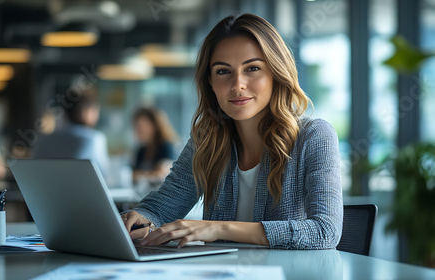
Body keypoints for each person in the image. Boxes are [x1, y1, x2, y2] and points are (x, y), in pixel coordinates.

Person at [121, 14, 343, 249]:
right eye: (223, 71)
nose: (238, 84)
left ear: (276, 74)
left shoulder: (314, 136)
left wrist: (216, 228)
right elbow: (162, 206)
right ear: (210, 82)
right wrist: (140, 216)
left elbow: (324, 231)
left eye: (253, 68)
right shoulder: (207, 139)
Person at [33, 91, 110, 177]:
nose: (97, 115)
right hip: (81, 190)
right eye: (95, 110)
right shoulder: (93, 139)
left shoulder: (43, 139)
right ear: (86, 111)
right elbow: (102, 176)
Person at [132, 107, 177, 186]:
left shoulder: (166, 147)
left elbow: (160, 175)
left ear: (155, 126)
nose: (138, 131)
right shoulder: (141, 151)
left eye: (141, 127)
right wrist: (150, 174)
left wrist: (141, 175)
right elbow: (132, 175)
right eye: (137, 127)